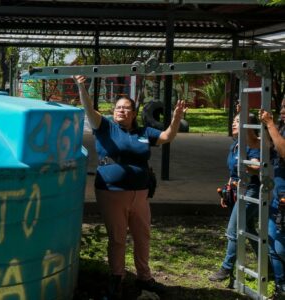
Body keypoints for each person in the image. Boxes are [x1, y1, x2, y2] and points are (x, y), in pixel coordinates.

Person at [73, 75, 187, 298]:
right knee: (117, 238)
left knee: (142, 236)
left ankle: (144, 278)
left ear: (134, 113)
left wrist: (175, 119)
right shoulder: (105, 127)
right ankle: (117, 278)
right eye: (117, 107)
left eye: (125, 108)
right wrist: (81, 88)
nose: (120, 111)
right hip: (111, 192)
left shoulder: (144, 133)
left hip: (141, 194)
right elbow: (88, 109)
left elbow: (166, 137)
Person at [208, 113, 260, 283]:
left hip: (251, 191)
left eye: (238, 121)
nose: (233, 124)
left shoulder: (254, 144)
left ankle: (226, 268)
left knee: (234, 230)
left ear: (248, 125)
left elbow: (256, 167)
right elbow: (233, 173)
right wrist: (226, 191)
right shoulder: (235, 144)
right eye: (234, 121)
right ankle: (269, 265)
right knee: (250, 229)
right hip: (237, 190)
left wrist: (248, 164)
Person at [260, 99, 285, 298]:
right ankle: (280, 287)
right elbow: (271, 149)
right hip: (277, 198)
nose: (283, 110)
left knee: (280, 247)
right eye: (282, 106)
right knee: (271, 243)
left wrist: (270, 124)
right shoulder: (282, 129)